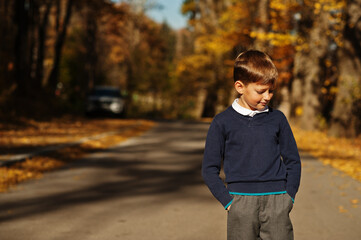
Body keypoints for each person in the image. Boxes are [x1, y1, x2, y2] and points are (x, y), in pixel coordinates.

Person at [202, 50, 301, 240]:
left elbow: (293, 161)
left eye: (271, 91)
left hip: (277, 201)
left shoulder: (277, 119)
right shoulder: (222, 122)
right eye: (261, 91)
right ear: (240, 87)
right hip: (240, 203)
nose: (268, 96)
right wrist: (229, 202)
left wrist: (289, 196)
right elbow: (209, 169)